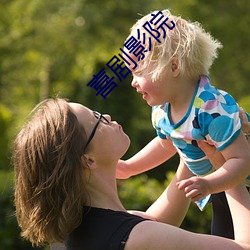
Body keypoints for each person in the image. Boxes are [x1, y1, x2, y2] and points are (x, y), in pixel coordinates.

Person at [13, 98, 250, 250]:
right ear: (88, 160)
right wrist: (226, 165)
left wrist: (190, 137)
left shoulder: (73, 234)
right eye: (97, 120)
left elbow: (156, 221)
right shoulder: (138, 238)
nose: (106, 116)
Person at [116, 9, 250, 239]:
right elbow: (167, 144)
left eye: (138, 72)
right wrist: (129, 168)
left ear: (174, 67)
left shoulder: (211, 108)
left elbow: (242, 160)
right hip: (220, 190)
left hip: (239, 186)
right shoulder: (162, 110)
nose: (132, 83)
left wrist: (208, 183)